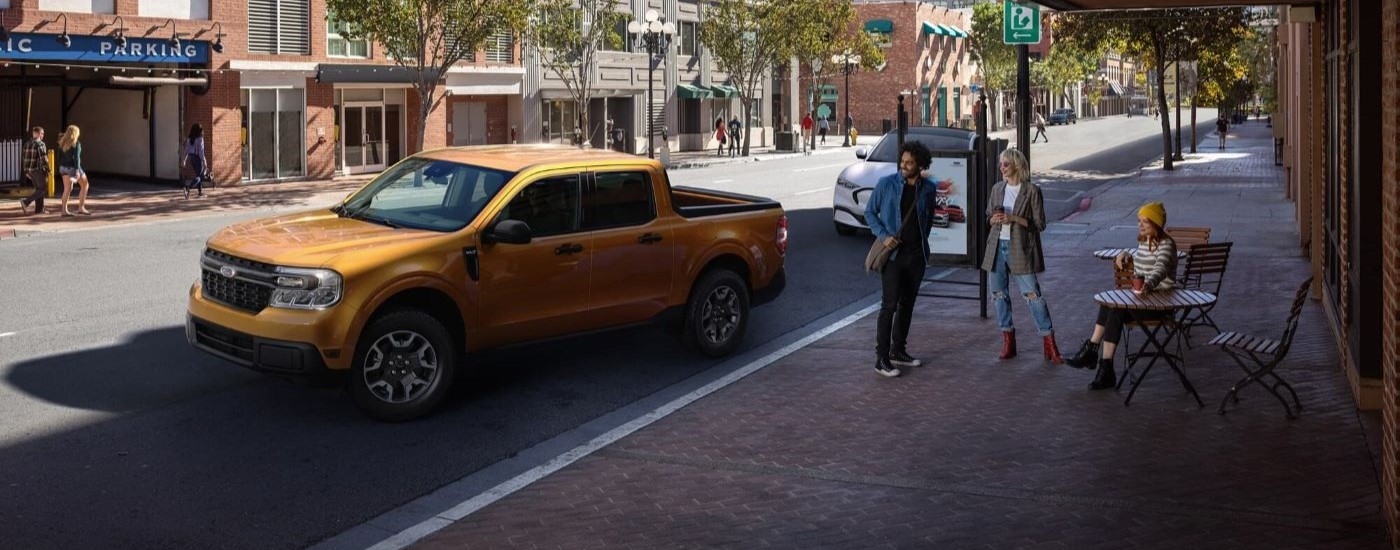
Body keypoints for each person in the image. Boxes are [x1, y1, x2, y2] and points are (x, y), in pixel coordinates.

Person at [1064, 202, 1178, 390]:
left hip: (1159, 304)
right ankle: (1103, 365)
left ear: (1156, 224)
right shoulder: (1144, 241)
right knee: (1111, 306)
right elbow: (1141, 257)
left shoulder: (1166, 244)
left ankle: (1093, 355)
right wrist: (1125, 253)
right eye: (1139, 221)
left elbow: (1160, 268)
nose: (1140, 225)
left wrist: (1148, 285)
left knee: (1114, 306)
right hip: (1141, 301)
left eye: (1145, 222)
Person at [863, 140, 939, 378]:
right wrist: (885, 237)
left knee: (907, 305)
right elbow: (869, 212)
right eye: (902, 162)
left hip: (916, 256)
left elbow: (927, 219)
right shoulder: (887, 184)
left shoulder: (928, 188)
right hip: (894, 256)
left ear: (920, 165)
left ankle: (898, 351)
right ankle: (881, 359)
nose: (904, 166)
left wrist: (922, 244)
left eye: (910, 163)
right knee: (889, 306)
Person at [980, 148, 1063, 364]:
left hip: (1020, 247)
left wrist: (1014, 218)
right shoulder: (997, 189)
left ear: (1017, 165)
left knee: (1033, 295)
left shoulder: (1031, 191)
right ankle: (1008, 341)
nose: (1002, 168)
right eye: (1000, 164)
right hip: (996, 247)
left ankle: (1049, 342)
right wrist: (994, 220)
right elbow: (988, 218)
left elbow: (1040, 225)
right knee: (999, 295)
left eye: (1005, 164)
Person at [56, 125, 91, 216]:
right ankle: (81, 207)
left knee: (67, 189)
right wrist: (77, 171)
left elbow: (58, 157)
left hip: (63, 167)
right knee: (85, 185)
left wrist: (60, 166)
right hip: (72, 167)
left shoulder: (61, 142)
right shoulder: (76, 143)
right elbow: (76, 158)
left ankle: (64, 210)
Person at [19, 126, 48, 215]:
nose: (43, 135)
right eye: (42, 133)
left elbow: (24, 158)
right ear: (39, 134)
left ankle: (39, 209)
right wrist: (47, 169)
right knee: (43, 189)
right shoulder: (40, 144)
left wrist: (26, 171)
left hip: (30, 171)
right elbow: (43, 158)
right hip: (37, 169)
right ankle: (26, 202)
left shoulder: (27, 143)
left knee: (38, 189)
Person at [182, 123, 208, 199]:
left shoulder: (190, 139)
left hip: (191, 157)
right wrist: (204, 161)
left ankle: (200, 192)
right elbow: (201, 152)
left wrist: (184, 160)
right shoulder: (200, 139)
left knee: (197, 174)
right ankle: (188, 188)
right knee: (200, 176)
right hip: (197, 158)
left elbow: (186, 150)